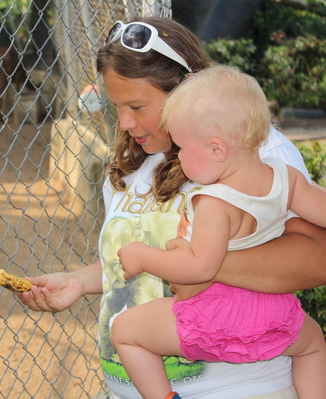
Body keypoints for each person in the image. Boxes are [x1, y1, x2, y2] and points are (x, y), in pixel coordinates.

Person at [17, 16, 326, 399]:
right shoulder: (134, 165)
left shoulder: (250, 151)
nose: (126, 122)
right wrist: (79, 281)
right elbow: (138, 258)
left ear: (183, 90)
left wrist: (198, 263)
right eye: (117, 108)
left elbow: (316, 259)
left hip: (238, 388)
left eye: (137, 106)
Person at [111, 65, 326, 399]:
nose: (179, 157)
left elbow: (201, 268)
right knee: (313, 346)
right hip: (275, 314)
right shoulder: (287, 178)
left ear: (216, 150)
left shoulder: (213, 202)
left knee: (125, 332)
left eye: (182, 147)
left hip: (217, 319)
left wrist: (143, 256)